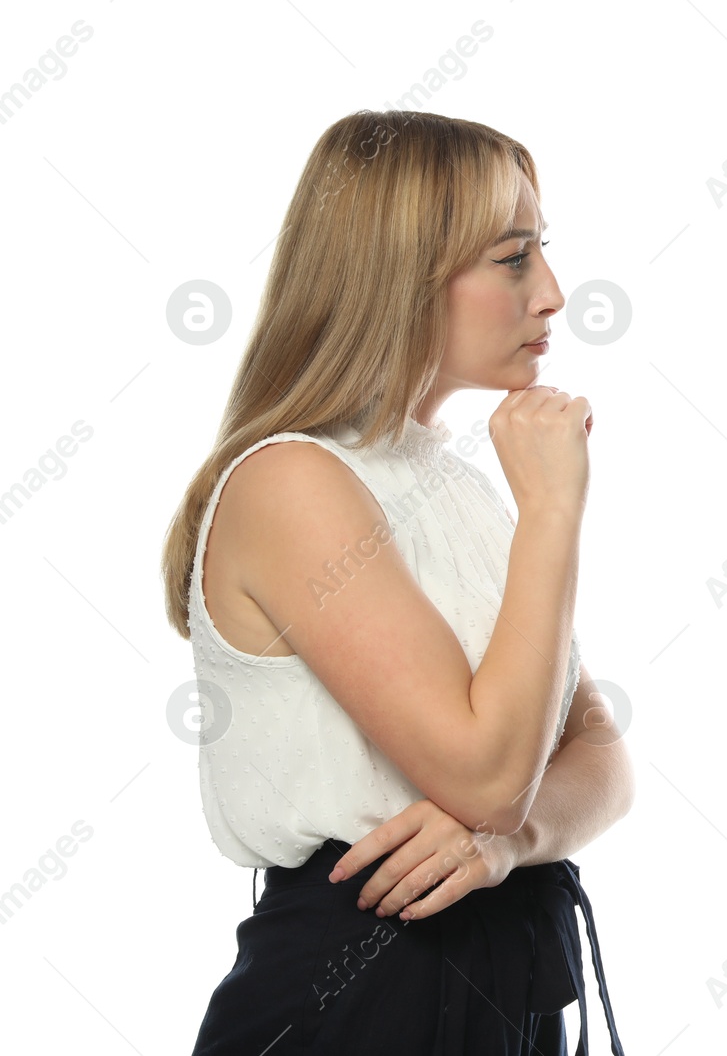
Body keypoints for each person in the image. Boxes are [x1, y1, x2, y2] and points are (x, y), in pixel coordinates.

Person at [160, 109, 632, 1055]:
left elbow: (601, 759)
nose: (553, 294)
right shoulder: (292, 480)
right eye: (512, 258)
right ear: (402, 272)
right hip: (362, 989)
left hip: (506, 974)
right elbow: (491, 773)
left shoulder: (451, 483)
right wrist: (550, 512)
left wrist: (505, 845)